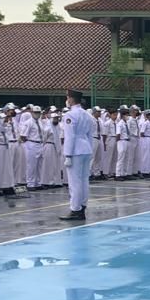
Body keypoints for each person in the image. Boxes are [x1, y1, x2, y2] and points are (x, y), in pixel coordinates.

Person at [60, 90, 94, 220]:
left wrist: (67, 155)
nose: (67, 99)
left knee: (74, 182)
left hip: (75, 150)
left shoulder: (70, 115)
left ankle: (75, 209)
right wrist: (90, 150)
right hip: (86, 148)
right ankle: (83, 206)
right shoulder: (87, 115)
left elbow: (70, 136)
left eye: (67, 97)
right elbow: (89, 135)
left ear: (71, 99)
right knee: (84, 180)